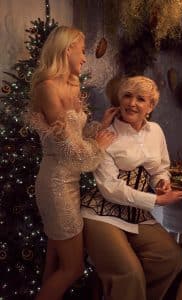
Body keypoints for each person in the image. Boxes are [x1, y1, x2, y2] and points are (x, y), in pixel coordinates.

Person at [26, 25, 118, 300]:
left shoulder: (74, 84)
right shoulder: (46, 88)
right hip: (56, 184)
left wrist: (100, 126)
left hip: (70, 182)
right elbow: (69, 152)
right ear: (67, 49)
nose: (85, 58)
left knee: (55, 262)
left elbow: (76, 133)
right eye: (81, 50)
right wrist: (99, 147)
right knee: (73, 268)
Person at [81, 75, 182, 300]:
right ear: (119, 99)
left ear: (150, 106)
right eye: (127, 96)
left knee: (172, 259)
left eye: (141, 99)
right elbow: (110, 188)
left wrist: (162, 183)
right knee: (129, 274)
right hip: (101, 214)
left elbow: (161, 167)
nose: (132, 103)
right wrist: (155, 200)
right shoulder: (106, 133)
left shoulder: (156, 131)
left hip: (136, 215)